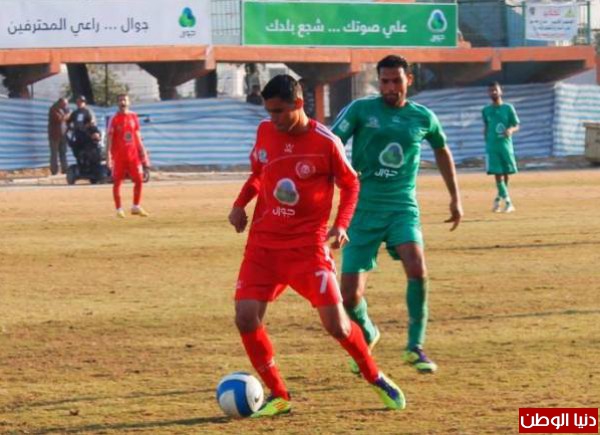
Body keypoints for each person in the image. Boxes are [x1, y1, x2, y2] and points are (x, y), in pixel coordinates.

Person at [228, 74, 405, 418]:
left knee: (337, 326)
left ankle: (375, 376)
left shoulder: (326, 142)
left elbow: (351, 184)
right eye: (269, 111)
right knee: (246, 318)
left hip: (307, 249)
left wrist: (341, 225)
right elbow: (258, 174)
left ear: (298, 104)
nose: (273, 119)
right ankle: (279, 395)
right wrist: (239, 205)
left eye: (279, 111)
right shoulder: (265, 131)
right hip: (263, 247)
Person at [331, 55, 463, 375]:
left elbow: (441, 149)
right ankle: (368, 331)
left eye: (396, 81)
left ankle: (415, 347)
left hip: (402, 207)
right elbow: (331, 142)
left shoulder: (422, 117)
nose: (390, 87)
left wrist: (455, 197)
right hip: (362, 210)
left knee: (417, 267)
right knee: (349, 296)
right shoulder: (361, 110)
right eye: (385, 81)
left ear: (409, 81)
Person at [106, 94, 150, 218]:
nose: (122, 102)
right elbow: (109, 138)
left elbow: (137, 136)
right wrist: (108, 155)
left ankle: (136, 206)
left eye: (124, 100)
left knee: (139, 180)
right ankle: (119, 209)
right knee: (117, 182)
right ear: (117, 103)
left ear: (128, 102)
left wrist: (143, 152)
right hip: (119, 156)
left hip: (133, 156)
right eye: (120, 100)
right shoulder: (114, 119)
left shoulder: (133, 116)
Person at [482, 81, 520, 213]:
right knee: (497, 173)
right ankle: (509, 202)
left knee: (506, 173)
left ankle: (498, 199)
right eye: (491, 90)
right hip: (492, 146)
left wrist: (510, 130)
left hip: (505, 146)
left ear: (500, 91)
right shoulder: (486, 110)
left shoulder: (508, 108)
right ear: (488, 93)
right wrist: (486, 141)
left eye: (495, 90)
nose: (493, 92)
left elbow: (516, 125)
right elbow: (486, 127)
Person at [47, 97, 70, 175]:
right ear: (60, 102)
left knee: (63, 152)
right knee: (54, 153)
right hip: (55, 135)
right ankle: (54, 171)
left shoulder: (64, 110)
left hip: (63, 134)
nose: (66, 105)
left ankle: (65, 169)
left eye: (66, 104)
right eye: (65, 104)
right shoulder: (53, 109)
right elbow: (59, 119)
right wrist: (68, 115)